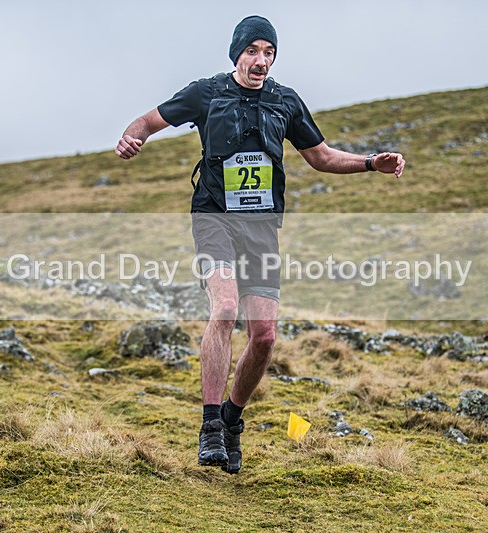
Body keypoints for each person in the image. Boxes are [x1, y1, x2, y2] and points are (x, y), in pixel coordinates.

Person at [116, 15, 405, 474]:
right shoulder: (205, 94)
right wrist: (133, 137)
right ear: (237, 54)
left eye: (269, 52)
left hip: (262, 230)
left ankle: (232, 419)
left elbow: (322, 157)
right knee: (225, 309)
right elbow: (149, 120)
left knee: (265, 336)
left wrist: (372, 162)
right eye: (253, 50)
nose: (261, 60)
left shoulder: (285, 102)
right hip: (214, 219)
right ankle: (210, 426)